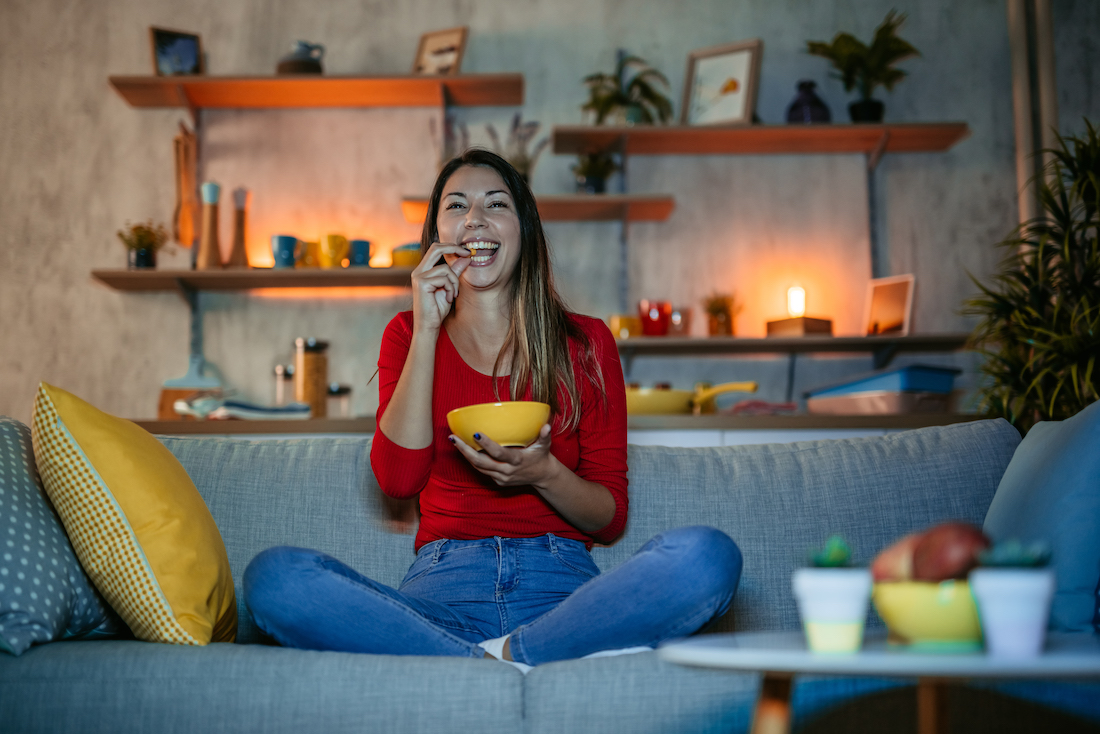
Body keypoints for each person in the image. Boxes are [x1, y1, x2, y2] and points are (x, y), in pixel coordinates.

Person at [243, 149, 742, 668]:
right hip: (440, 596)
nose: (475, 219)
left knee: (707, 556)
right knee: (275, 577)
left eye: (495, 204)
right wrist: (428, 327)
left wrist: (545, 473)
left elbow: (609, 518)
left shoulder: (586, 341)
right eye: (456, 206)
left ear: (523, 229)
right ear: (437, 235)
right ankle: (501, 661)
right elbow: (396, 479)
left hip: (564, 600)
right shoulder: (408, 334)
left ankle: (489, 659)